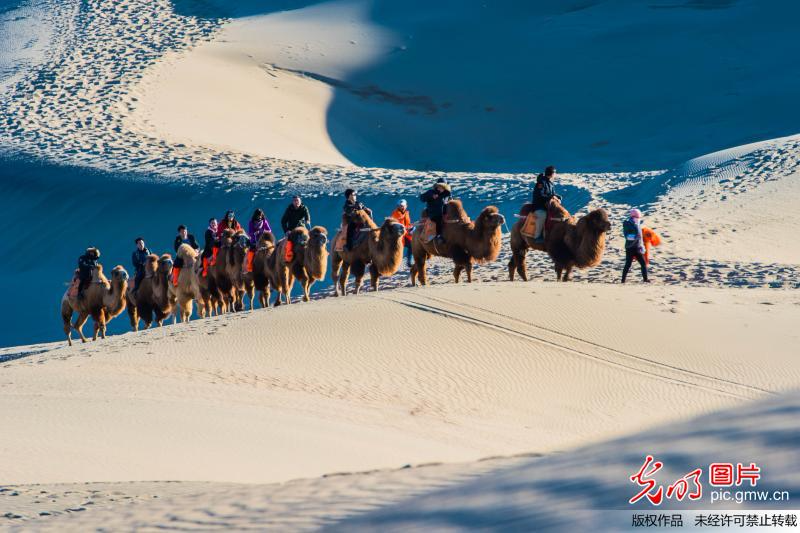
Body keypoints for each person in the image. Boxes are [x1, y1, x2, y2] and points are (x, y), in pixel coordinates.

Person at [531, 166, 561, 244]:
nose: (555, 174)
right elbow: (540, 195)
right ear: (552, 173)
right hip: (540, 206)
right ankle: (537, 236)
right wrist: (551, 197)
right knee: (542, 215)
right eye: (555, 173)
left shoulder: (550, 183)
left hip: (548, 206)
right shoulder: (541, 182)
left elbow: (552, 194)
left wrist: (558, 197)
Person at [622, 208, 649, 283]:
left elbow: (640, 238)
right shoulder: (627, 224)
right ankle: (623, 281)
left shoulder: (638, 224)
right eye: (637, 217)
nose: (638, 219)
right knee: (628, 264)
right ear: (632, 217)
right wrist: (634, 237)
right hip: (630, 248)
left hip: (637, 248)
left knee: (643, 263)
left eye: (639, 218)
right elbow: (626, 236)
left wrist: (642, 246)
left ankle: (645, 280)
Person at [419, 178, 451, 242]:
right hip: (433, 212)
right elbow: (422, 198)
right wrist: (431, 196)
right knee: (438, 218)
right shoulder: (431, 192)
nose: (440, 187)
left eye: (442, 186)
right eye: (439, 186)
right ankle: (438, 236)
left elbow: (450, 201)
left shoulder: (447, 194)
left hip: (445, 212)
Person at [390, 199, 413, 267]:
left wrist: (411, 227)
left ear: (406, 206)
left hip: (406, 234)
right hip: (398, 235)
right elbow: (397, 221)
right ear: (398, 206)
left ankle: (409, 261)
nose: (402, 207)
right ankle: (392, 263)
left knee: (411, 246)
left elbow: (408, 223)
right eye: (400, 206)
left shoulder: (406, 213)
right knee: (396, 250)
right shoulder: (395, 213)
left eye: (403, 206)